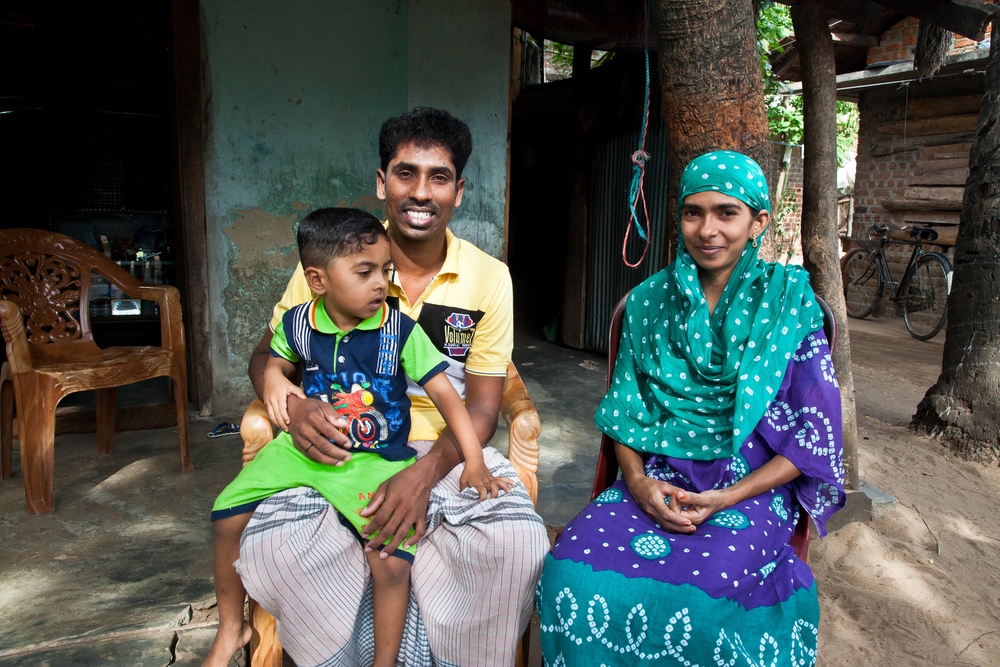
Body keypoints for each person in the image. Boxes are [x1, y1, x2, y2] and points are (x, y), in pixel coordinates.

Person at [237, 108, 549, 666]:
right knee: (277, 548)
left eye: (439, 176)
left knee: (516, 544)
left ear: (459, 189)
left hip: (444, 448)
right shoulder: (333, 261)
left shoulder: (487, 276)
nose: (420, 193)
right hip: (336, 446)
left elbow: (482, 407)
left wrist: (423, 475)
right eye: (406, 173)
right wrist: (295, 403)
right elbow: (267, 356)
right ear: (382, 182)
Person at [536, 150, 845, 666]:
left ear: (758, 222)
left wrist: (726, 498)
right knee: (570, 573)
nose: (707, 229)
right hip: (657, 473)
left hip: (751, 485)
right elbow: (624, 412)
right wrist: (636, 482)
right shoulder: (648, 302)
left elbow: (812, 436)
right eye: (693, 212)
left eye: (727, 213)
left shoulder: (790, 303)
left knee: (702, 605)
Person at [203, 208, 511, 667]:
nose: (381, 284)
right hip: (301, 453)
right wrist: (274, 382)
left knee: (389, 558)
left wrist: (475, 461)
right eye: (364, 272)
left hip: (374, 458)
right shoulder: (299, 323)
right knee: (225, 514)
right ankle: (232, 629)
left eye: (384, 271)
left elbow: (449, 397)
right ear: (318, 280)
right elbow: (275, 362)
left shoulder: (398, 331)